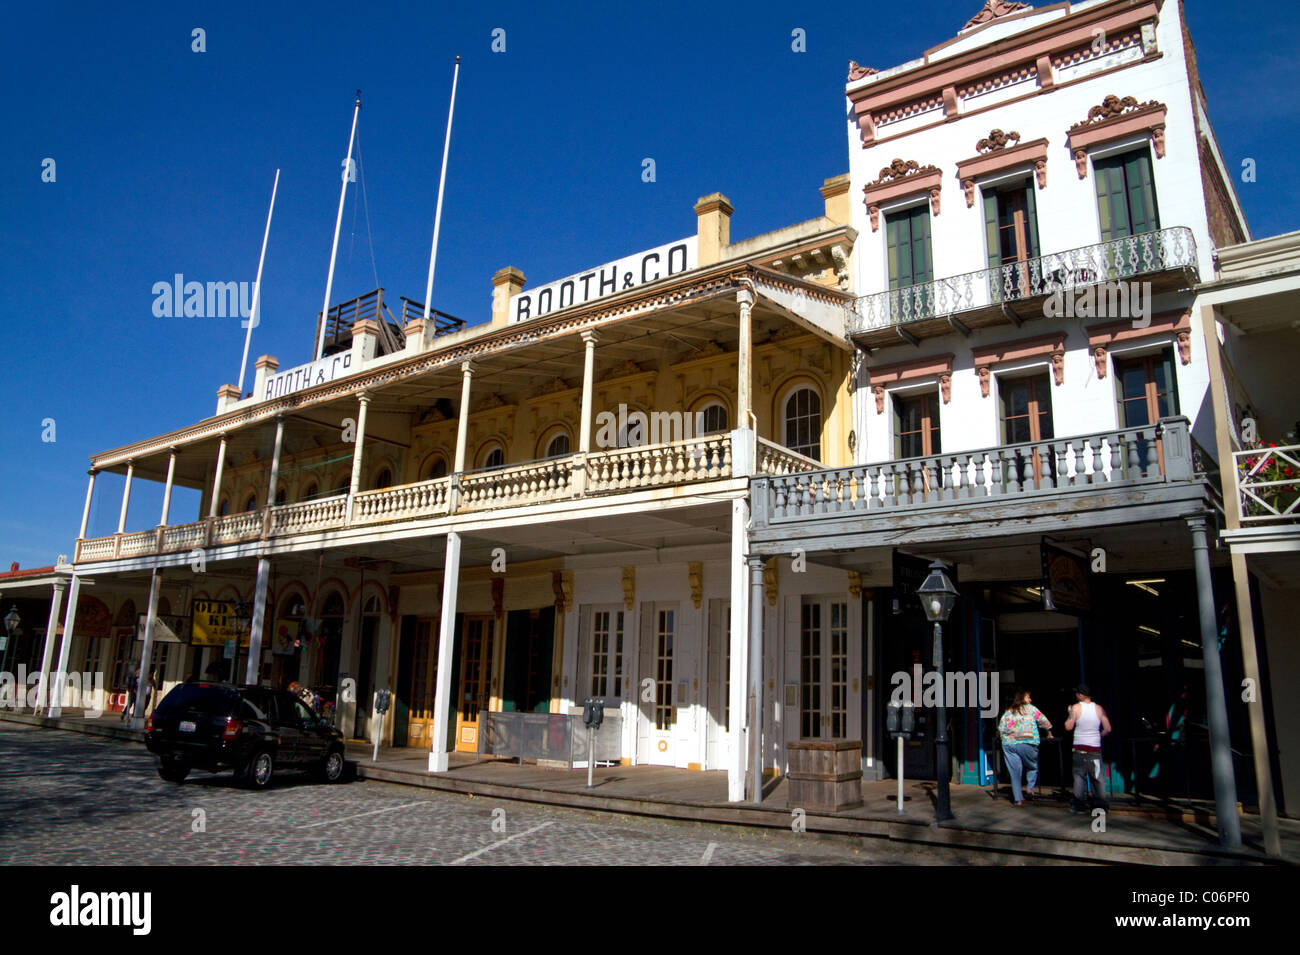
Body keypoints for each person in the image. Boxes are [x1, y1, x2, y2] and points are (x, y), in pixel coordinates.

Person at [997, 689, 1053, 806]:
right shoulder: (1031, 709)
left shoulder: (1008, 711)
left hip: (1009, 744)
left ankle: (1018, 800)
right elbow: (1044, 721)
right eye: (1028, 697)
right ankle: (1029, 788)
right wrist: (1049, 733)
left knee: (1015, 773)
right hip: (1027, 743)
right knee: (1032, 766)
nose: (1030, 700)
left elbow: (1001, 728)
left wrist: (1004, 737)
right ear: (1023, 698)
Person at [1065, 683, 1112, 812]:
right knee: (1097, 777)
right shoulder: (1099, 708)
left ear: (1080, 695)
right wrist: (1098, 736)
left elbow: (1068, 727)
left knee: (1079, 777)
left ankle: (1079, 805)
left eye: (1076, 693)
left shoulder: (1075, 708)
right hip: (1095, 749)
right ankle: (1101, 805)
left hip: (1079, 748)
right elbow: (1108, 728)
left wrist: (1070, 713)